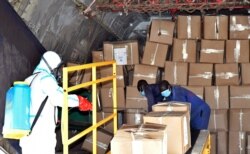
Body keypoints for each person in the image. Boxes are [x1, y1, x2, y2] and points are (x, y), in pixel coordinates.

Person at [19, 51, 92, 154]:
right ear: (51, 67)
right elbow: (59, 98)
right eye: (58, 69)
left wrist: (53, 117)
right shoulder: (45, 78)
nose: (59, 73)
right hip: (41, 136)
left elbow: (37, 103)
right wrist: (79, 101)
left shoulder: (29, 79)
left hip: (27, 135)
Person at [137, 79, 210, 130]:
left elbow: (180, 110)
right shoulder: (167, 93)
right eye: (162, 93)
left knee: (199, 134)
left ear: (169, 87)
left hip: (201, 111)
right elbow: (164, 105)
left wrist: (151, 116)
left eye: (164, 92)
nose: (164, 94)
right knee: (191, 132)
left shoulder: (177, 92)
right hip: (194, 113)